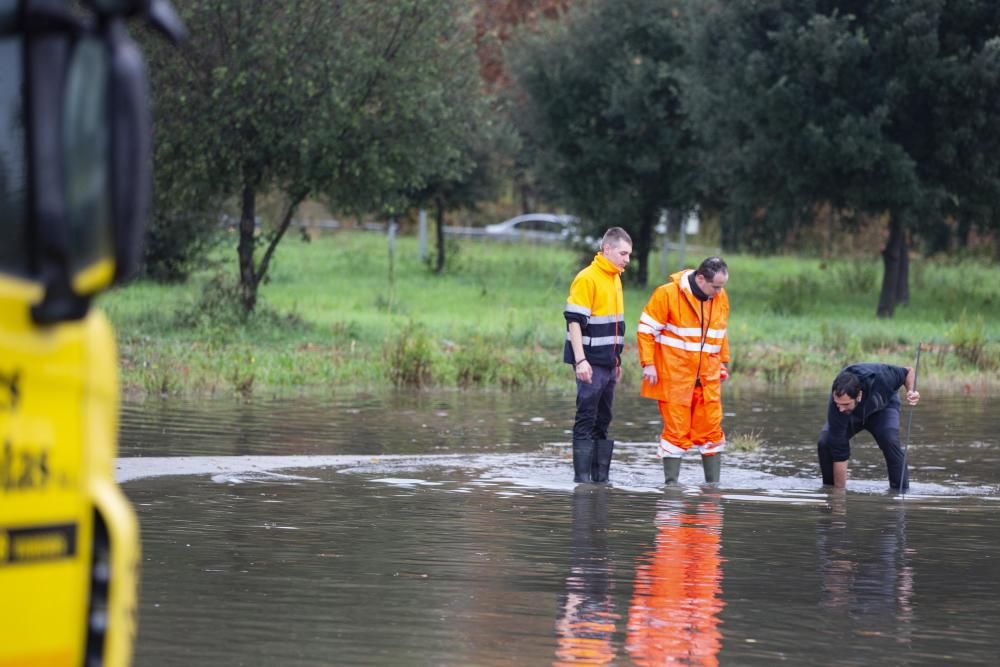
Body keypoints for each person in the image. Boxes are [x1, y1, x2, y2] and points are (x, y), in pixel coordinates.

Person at [637, 257, 730, 485]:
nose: (719, 292)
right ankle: (671, 489)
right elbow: (645, 330)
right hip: (674, 378)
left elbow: (720, 332)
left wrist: (722, 362)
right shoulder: (667, 294)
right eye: (715, 286)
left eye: (722, 287)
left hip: (707, 379)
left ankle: (712, 490)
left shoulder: (719, 297)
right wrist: (648, 363)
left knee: (712, 432)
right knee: (676, 433)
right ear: (700, 278)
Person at [564, 227, 632, 483]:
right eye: (623, 253)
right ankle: (582, 482)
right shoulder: (587, 278)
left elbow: (616, 325)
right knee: (586, 418)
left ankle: (600, 481)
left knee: (604, 420)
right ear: (607, 250)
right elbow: (574, 322)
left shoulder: (616, 277)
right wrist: (580, 360)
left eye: (629, 254)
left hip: (609, 364)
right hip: (589, 362)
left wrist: (617, 361)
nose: (627, 259)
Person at [817, 363, 920, 491]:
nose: (840, 408)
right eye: (838, 404)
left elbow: (909, 372)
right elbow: (839, 453)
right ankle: (829, 490)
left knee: (890, 440)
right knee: (825, 441)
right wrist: (838, 497)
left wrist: (911, 390)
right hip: (852, 415)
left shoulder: (884, 376)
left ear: (859, 396)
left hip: (883, 409)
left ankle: (899, 493)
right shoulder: (838, 408)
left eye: (845, 404)